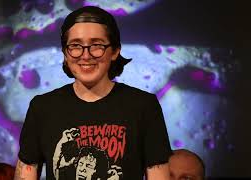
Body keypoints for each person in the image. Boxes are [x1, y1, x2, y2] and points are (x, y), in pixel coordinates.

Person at [14, 6, 172, 180]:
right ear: (65, 53)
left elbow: (158, 174)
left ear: (115, 51)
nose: (86, 55)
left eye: (96, 45)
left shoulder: (144, 106)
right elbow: (26, 172)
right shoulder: (42, 108)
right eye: (75, 45)